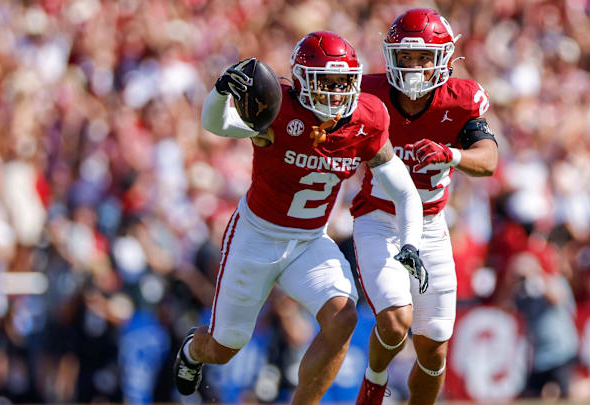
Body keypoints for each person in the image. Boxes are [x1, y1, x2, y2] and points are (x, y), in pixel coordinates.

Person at [172, 31, 426, 405]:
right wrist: (221, 92)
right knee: (226, 347)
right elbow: (216, 125)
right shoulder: (279, 110)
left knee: (343, 320)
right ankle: (194, 350)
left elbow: (404, 190)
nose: (336, 92)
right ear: (303, 79)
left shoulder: (367, 119)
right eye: (326, 81)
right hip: (256, 237)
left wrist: (411, 243)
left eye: (343, 82)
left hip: (309, 241)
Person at [350, 9, 499, 404]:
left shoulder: (460, 100)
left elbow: (487, 160)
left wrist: (451, 154)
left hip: (432, 227)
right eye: (406, 56)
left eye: (423, 57)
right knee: (397, 321)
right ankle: (375, 379)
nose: (414, 66)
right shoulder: (368, 95)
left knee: (434, 350)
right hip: (379, 219)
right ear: (390, 56)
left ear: (445, 58)